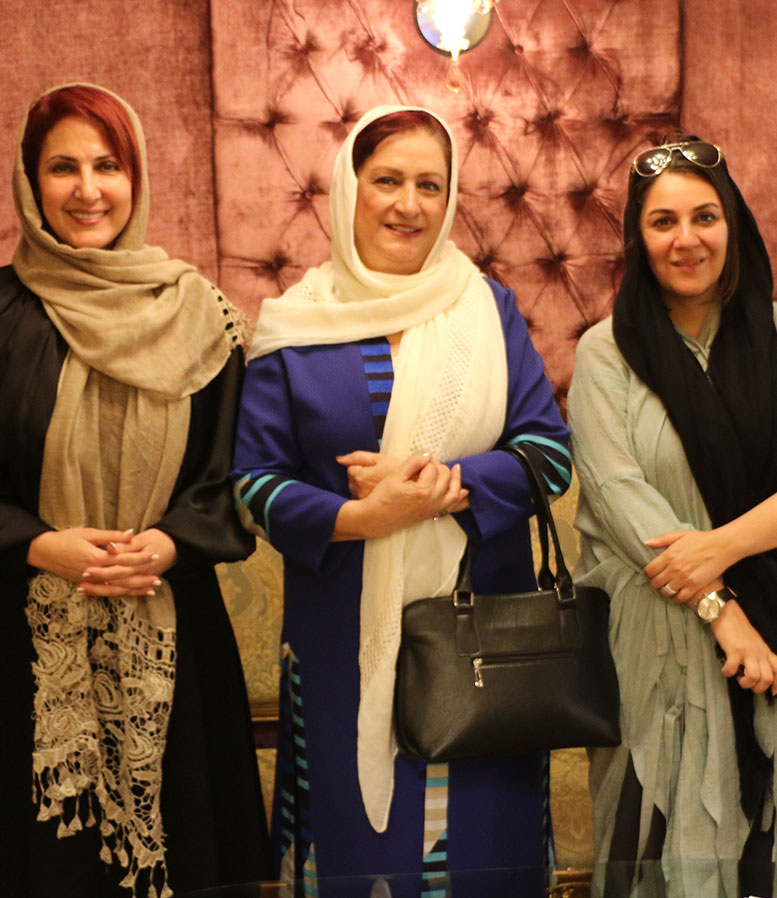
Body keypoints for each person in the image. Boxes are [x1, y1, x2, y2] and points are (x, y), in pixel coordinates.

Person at [232, 106, 571, 897]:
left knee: (479, 856)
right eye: (387, 180)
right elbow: (253, 481)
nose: (408, 204)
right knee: (358, 855)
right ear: (350, 188)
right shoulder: (296, 322)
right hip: (340, 640)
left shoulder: (486, 309)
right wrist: (358, 518)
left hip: (479, 646)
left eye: (429, 185)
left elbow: (548, 454)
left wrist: (441, 487)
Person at [0, 83, 270, 898]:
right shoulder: (1, 315)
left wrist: (168, 541)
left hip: (173, 633)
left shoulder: (201, 316)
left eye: (108, 165)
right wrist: (39, 544)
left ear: (137, 177)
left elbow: (231, 476)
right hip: (22, 645)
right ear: (29, 182)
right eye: (63, 168)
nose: (88, 189)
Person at [568, 136, 777, 897]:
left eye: (703, 217)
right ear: (638, 238)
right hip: (657, 642)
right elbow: (620, 495)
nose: (685, 239)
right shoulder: (606, 352)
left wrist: (718, 549)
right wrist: (723, 613)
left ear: (733, 225)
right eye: (663, 222)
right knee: (652, 851)